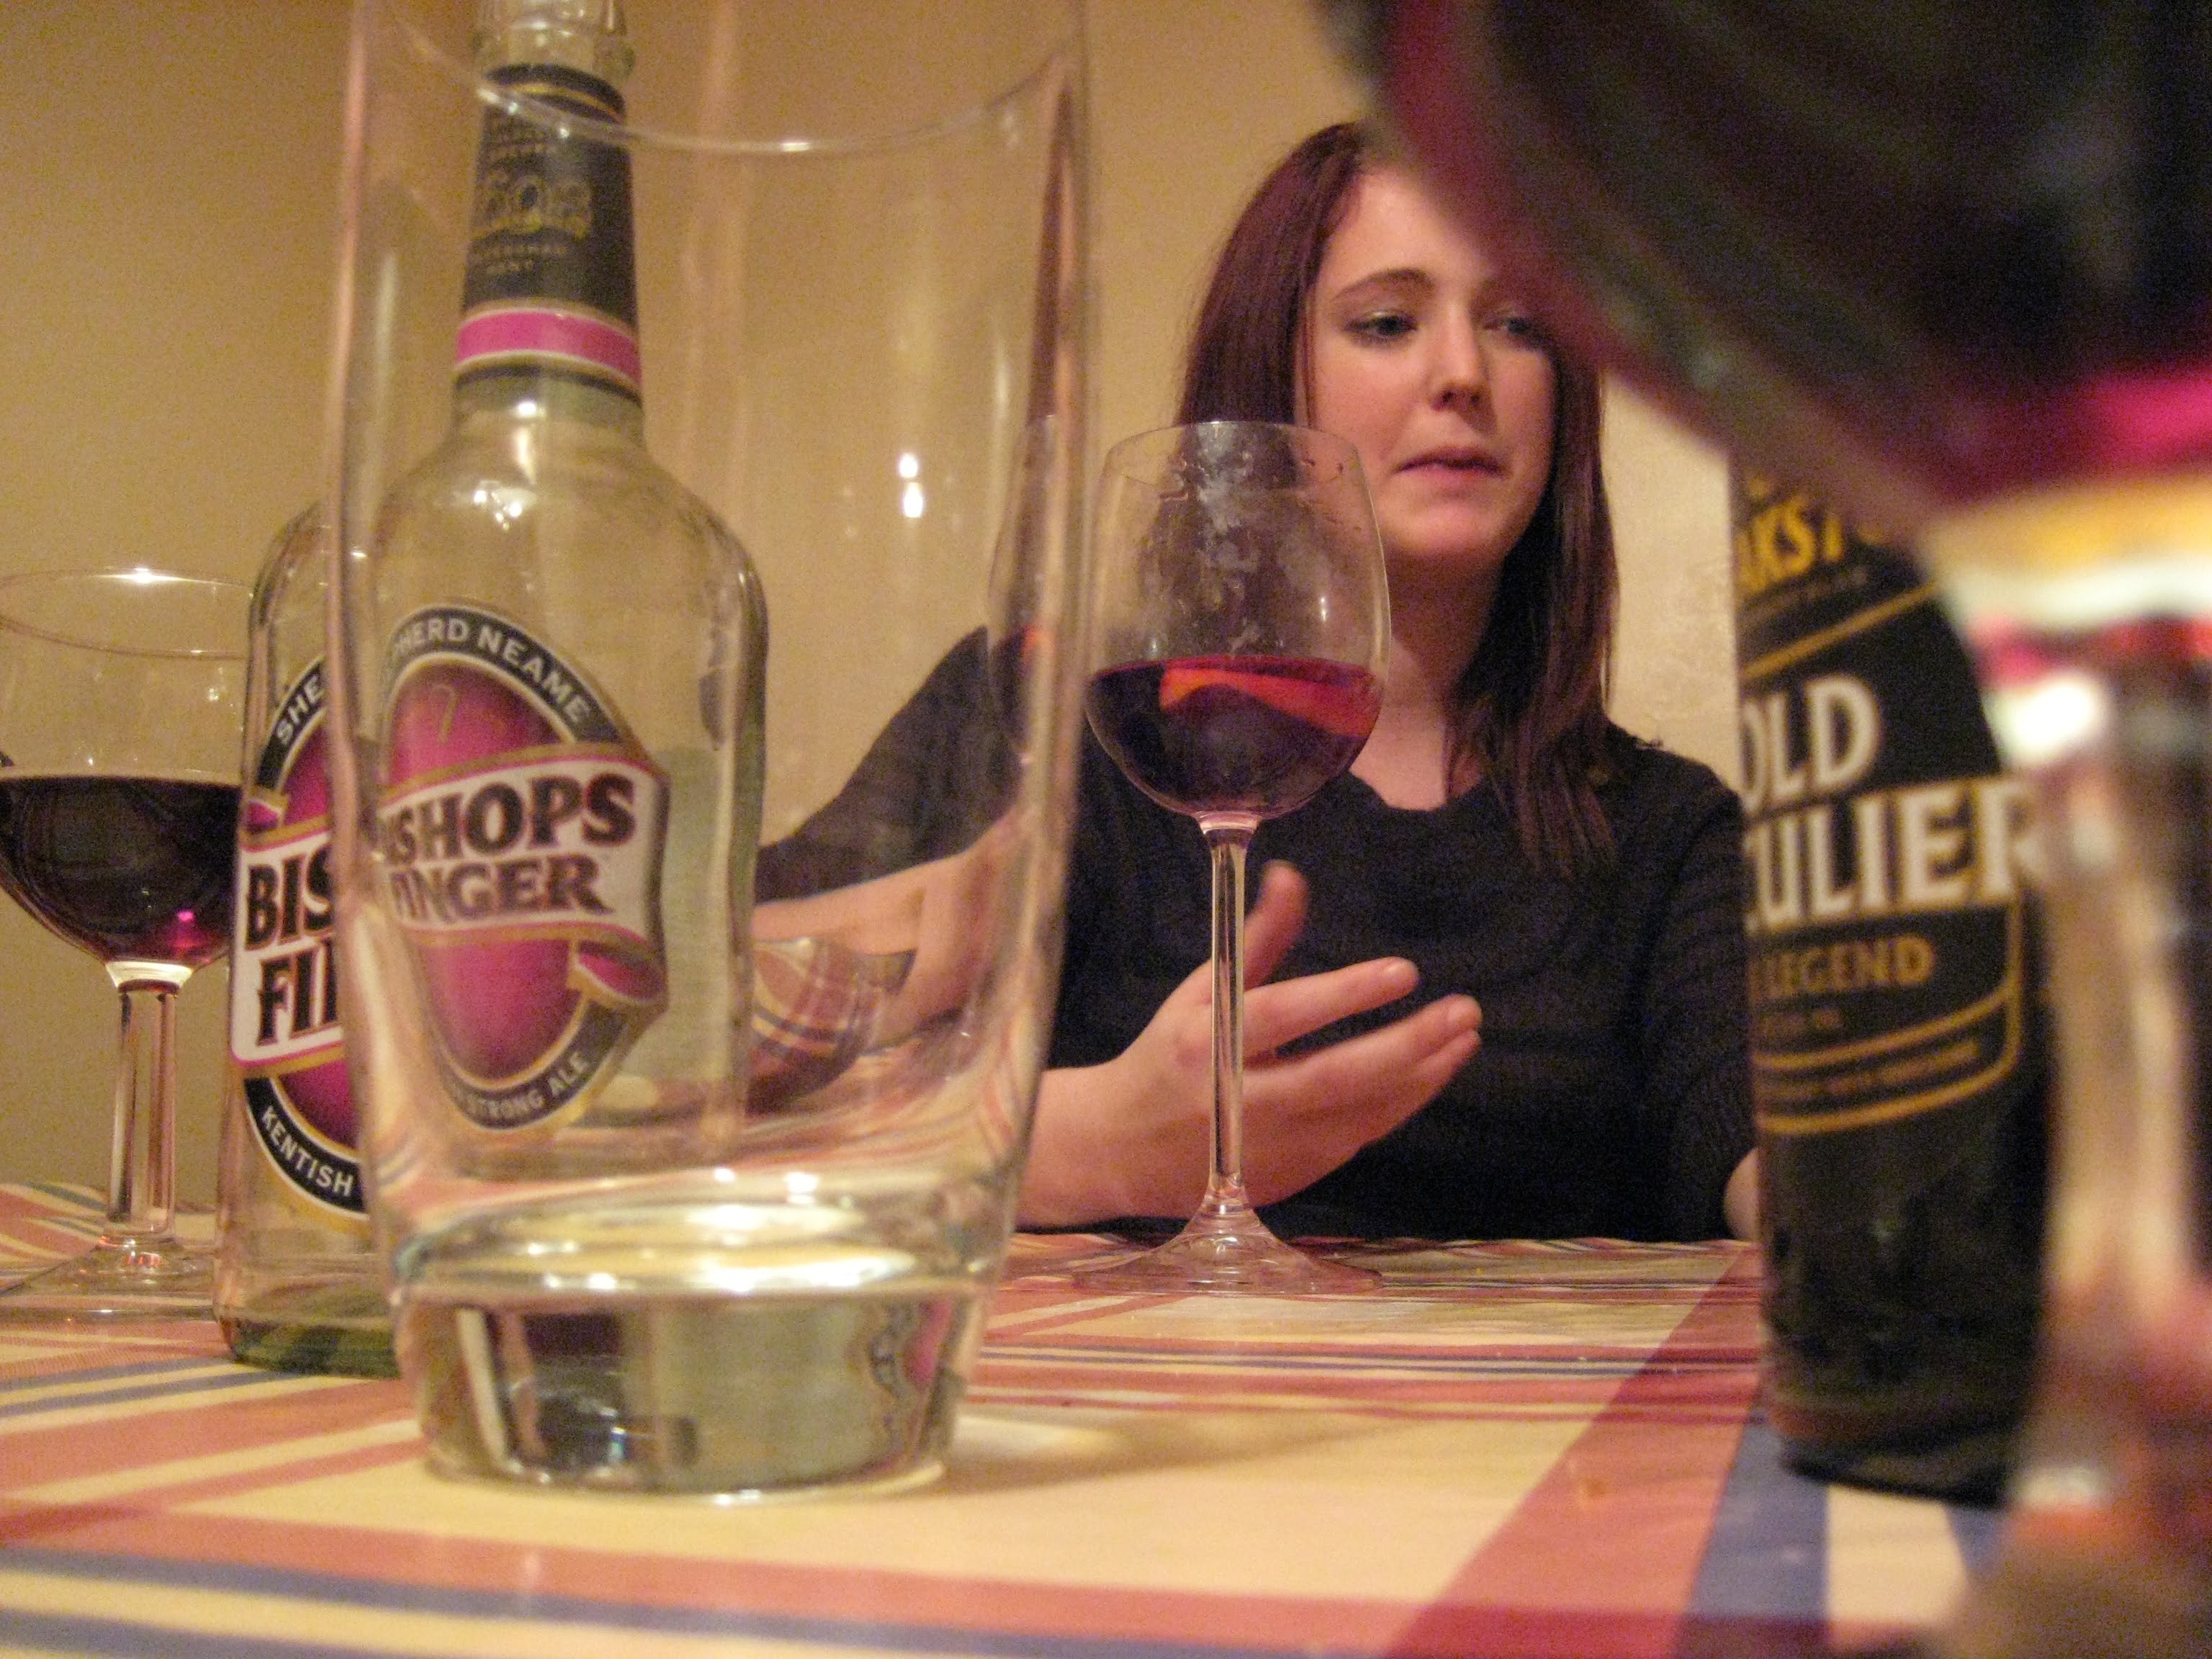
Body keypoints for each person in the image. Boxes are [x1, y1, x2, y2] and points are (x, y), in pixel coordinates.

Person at [757, 122, 1756, 1242]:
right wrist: (1086, 1144)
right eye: (1387, 322)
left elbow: (1769, 1156)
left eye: (1519, 325)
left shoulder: (1671, 837)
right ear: (1270, 376)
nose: (1464, 375)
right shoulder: (1054, 721)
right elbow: (672, 1048)